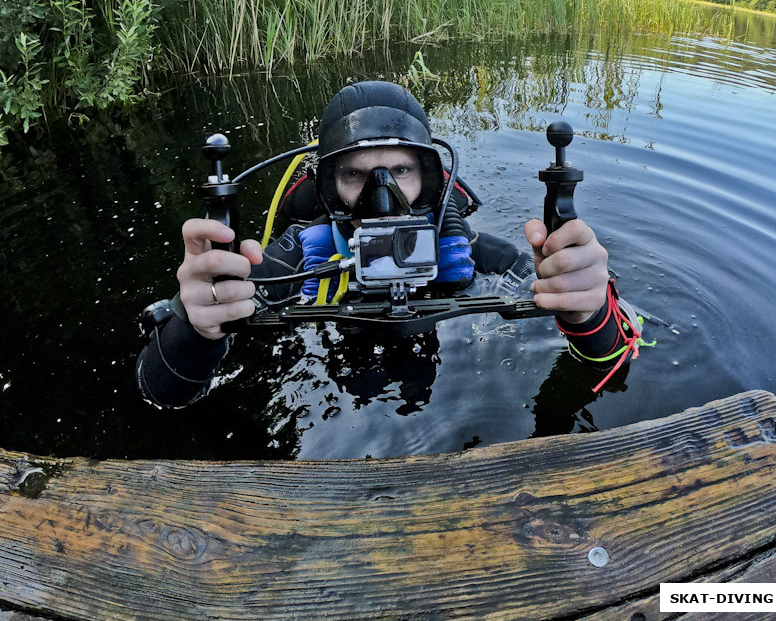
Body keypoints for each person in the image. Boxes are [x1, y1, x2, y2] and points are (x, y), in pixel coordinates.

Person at [137, 81, 636, 410]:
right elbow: (161, 392)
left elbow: (615, 369)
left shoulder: (466, 249)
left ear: (429, 178)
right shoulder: (298, 256)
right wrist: (196, 319)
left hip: (442, 376)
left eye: (400, 172)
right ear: (329, 187)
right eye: (355, 175)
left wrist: (585, 308)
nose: (382, 197)